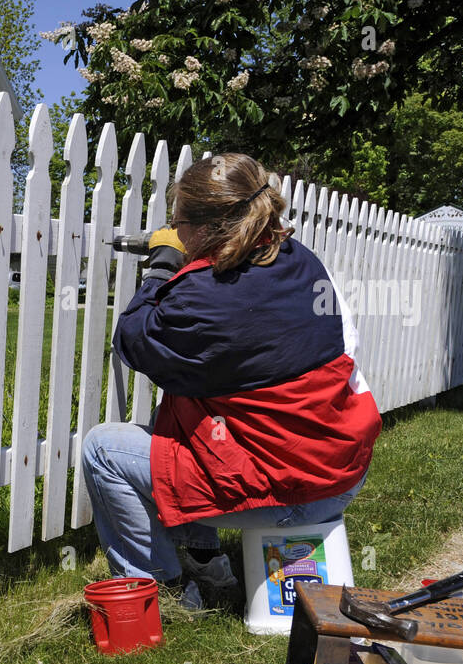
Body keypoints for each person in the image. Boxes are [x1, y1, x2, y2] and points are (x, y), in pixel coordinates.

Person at [81, 153, 381, 609]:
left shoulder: (205, 296)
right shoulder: (300, 260)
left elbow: (135, 338)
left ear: (203, 228)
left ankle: (160, 592)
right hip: (341, 472)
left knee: (103, 449)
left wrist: (163, 263)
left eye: (179, 220)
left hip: (295, 494)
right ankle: (205, 556)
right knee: (182, 407)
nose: (177, 230)